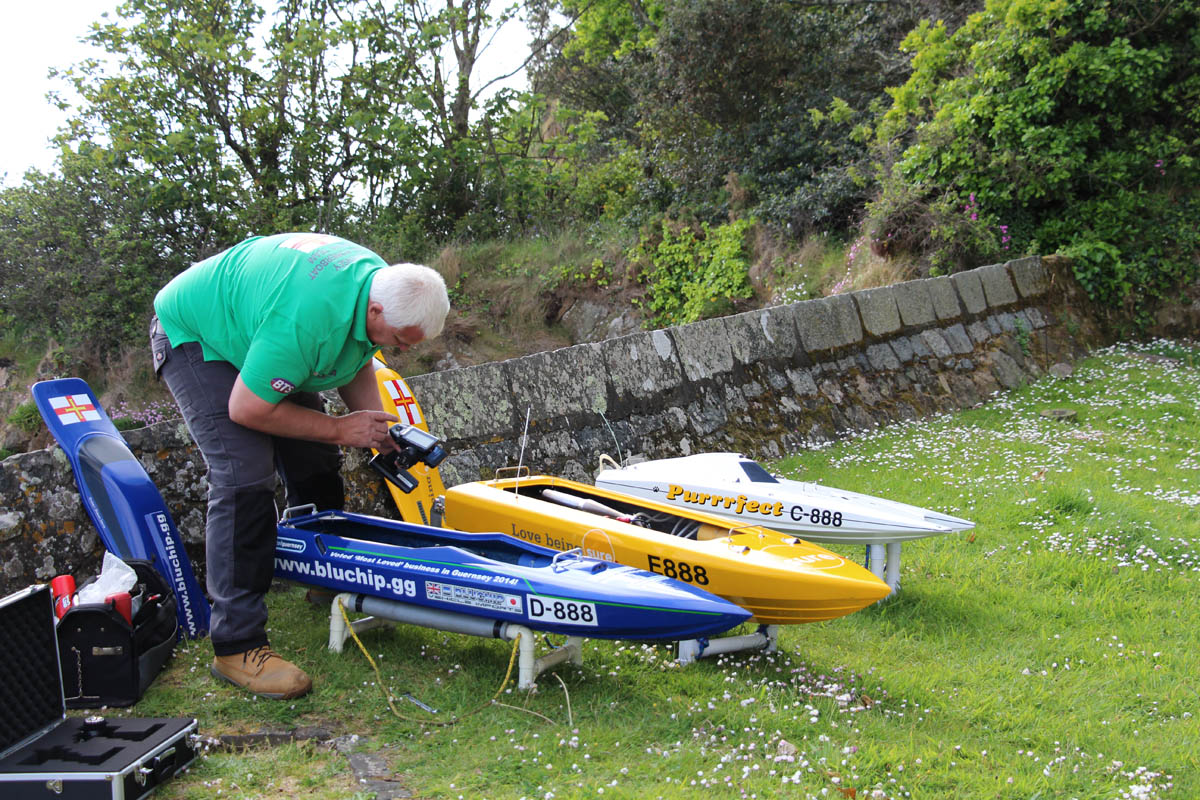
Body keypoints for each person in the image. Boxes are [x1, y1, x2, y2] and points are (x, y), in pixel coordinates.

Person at [149, 232, 449, 700]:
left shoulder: (380, 284)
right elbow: (247, 409)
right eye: (399, 341)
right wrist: (341, 428)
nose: (404, 352)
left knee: (314, 458)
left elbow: (358, 359)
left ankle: (323, 579)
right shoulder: (308, 323)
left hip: (265, 327)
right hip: (198, 333)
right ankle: (236, 645)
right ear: (375, 312)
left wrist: (378, 429)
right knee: (244, 474)